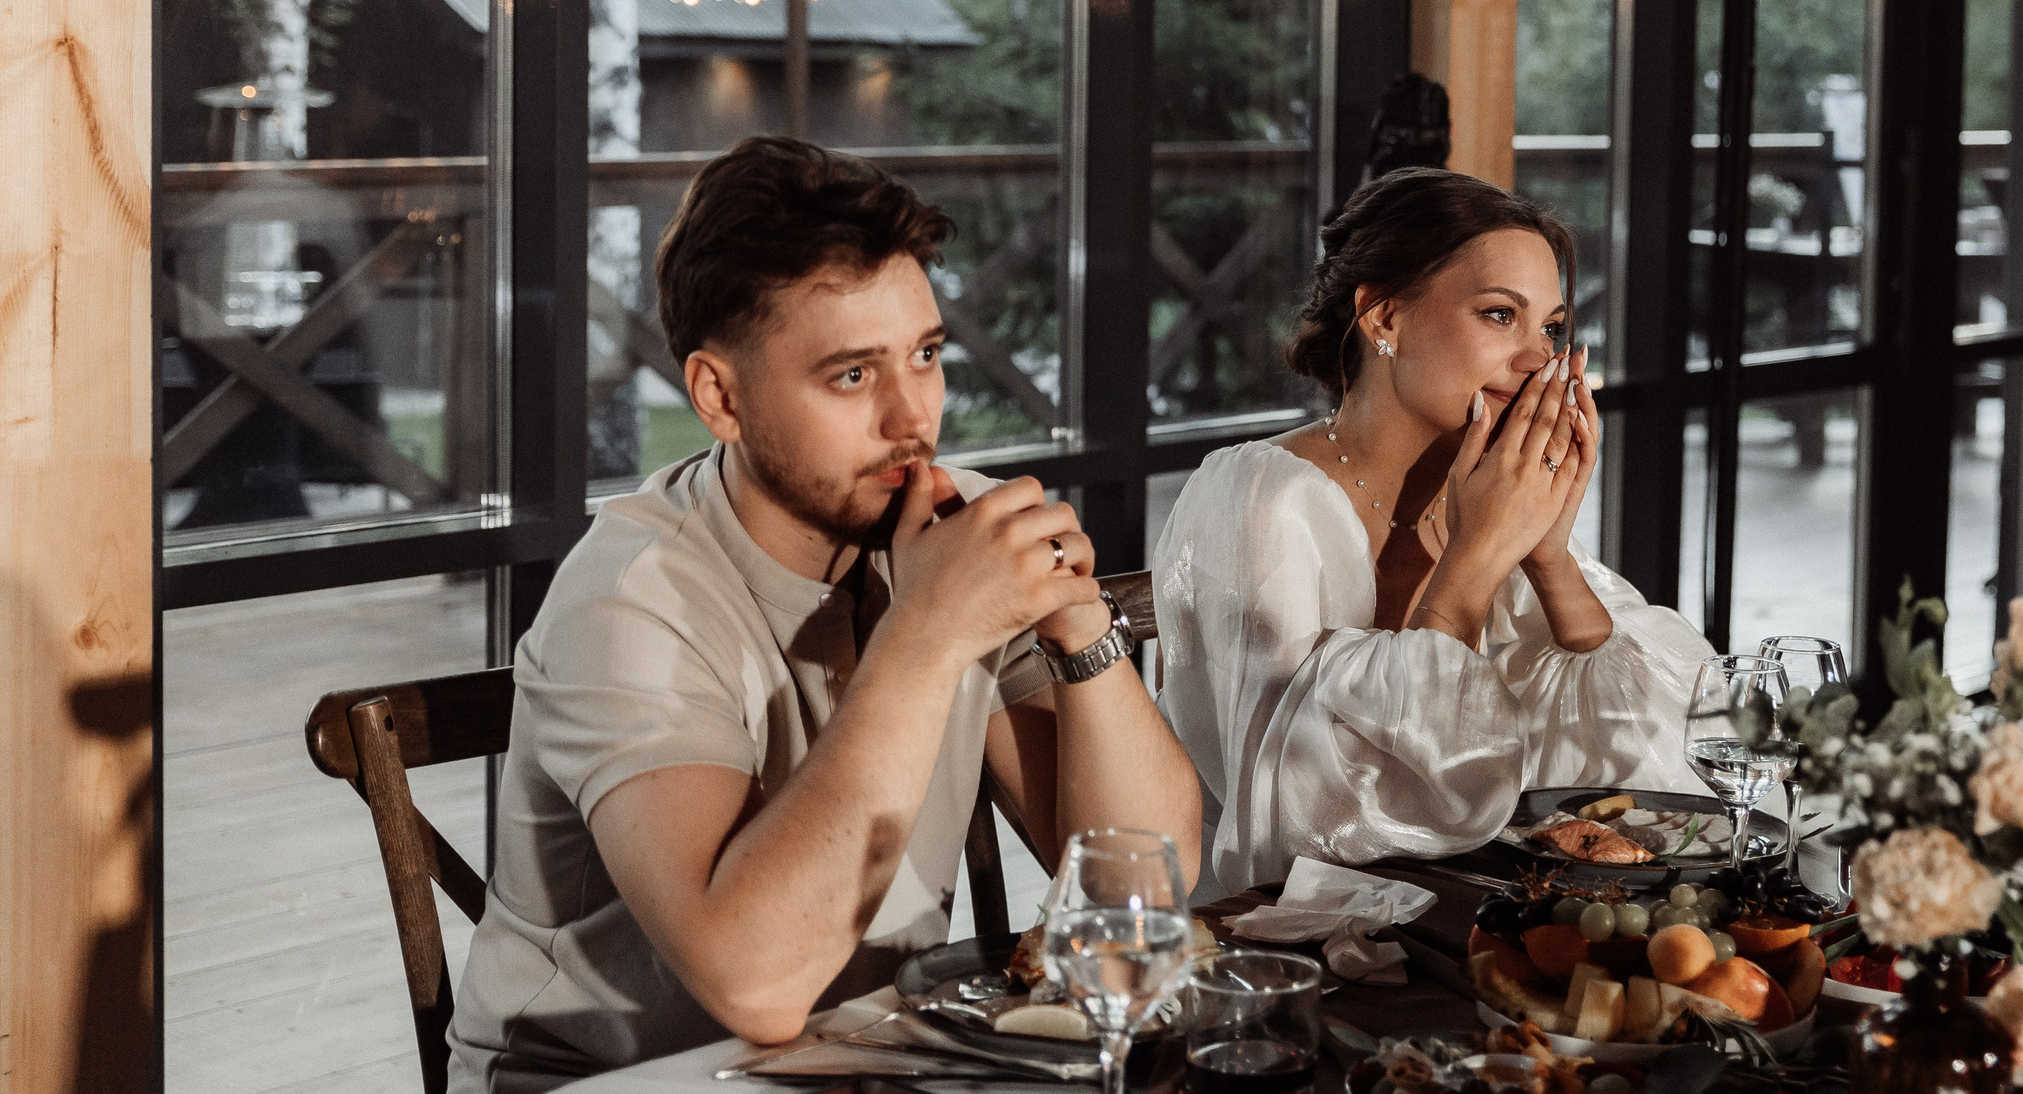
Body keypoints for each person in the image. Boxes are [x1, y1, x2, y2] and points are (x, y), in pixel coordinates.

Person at [448, 138, 1200, 1092]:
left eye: (925, 355)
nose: (911, 418)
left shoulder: (946, 532)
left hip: (863, 1058)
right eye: (852, 375)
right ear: (719, 396)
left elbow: (1141, 891)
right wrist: (929, 634)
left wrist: (1080, 623)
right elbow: (757, 985)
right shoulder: (629, 600)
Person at [1153, 168, 1720, 899]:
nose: (1538, 359)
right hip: (1285, 940)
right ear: (1383, 318)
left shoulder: (1489, 483)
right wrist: (1475, 559)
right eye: (1497, 315)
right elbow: (1309, 821)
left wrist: (1547, 556)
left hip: (1467, 915)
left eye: (1550, 327)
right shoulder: (1261, 497)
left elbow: (1653, 764)